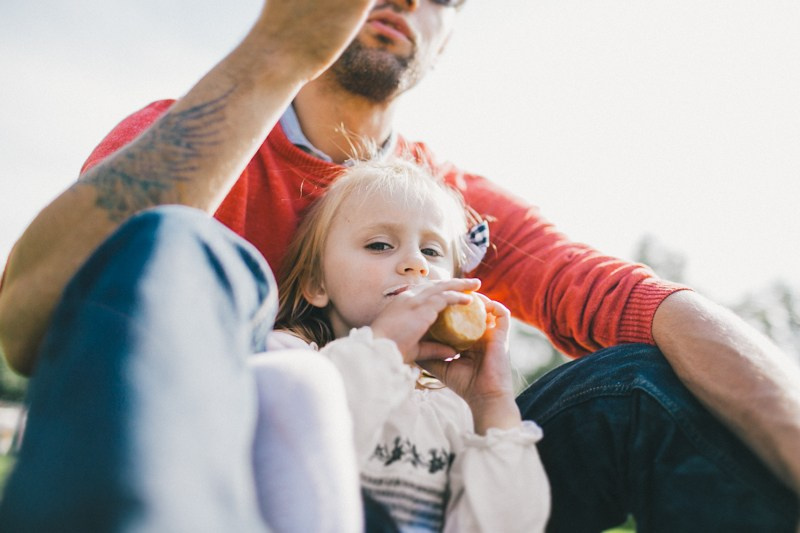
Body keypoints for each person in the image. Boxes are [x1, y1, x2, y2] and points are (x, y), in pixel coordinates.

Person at [0, 0, 797, 530]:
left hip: (437, 490)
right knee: (183, 249)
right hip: (244, 486)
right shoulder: (194, 134)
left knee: (639, 385)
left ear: (449, 36)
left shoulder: (449, 206)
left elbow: (637, 300)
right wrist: (279, 54)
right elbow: (32, 327)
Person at [269, 156, 549, 532]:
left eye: (432, 252)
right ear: (318, 283)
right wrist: (384, 347)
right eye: (381, 244)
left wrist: (493, 407)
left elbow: (506, 526)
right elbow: (290, 463)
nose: (416, 263)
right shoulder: (291, 360)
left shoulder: (454, 403)